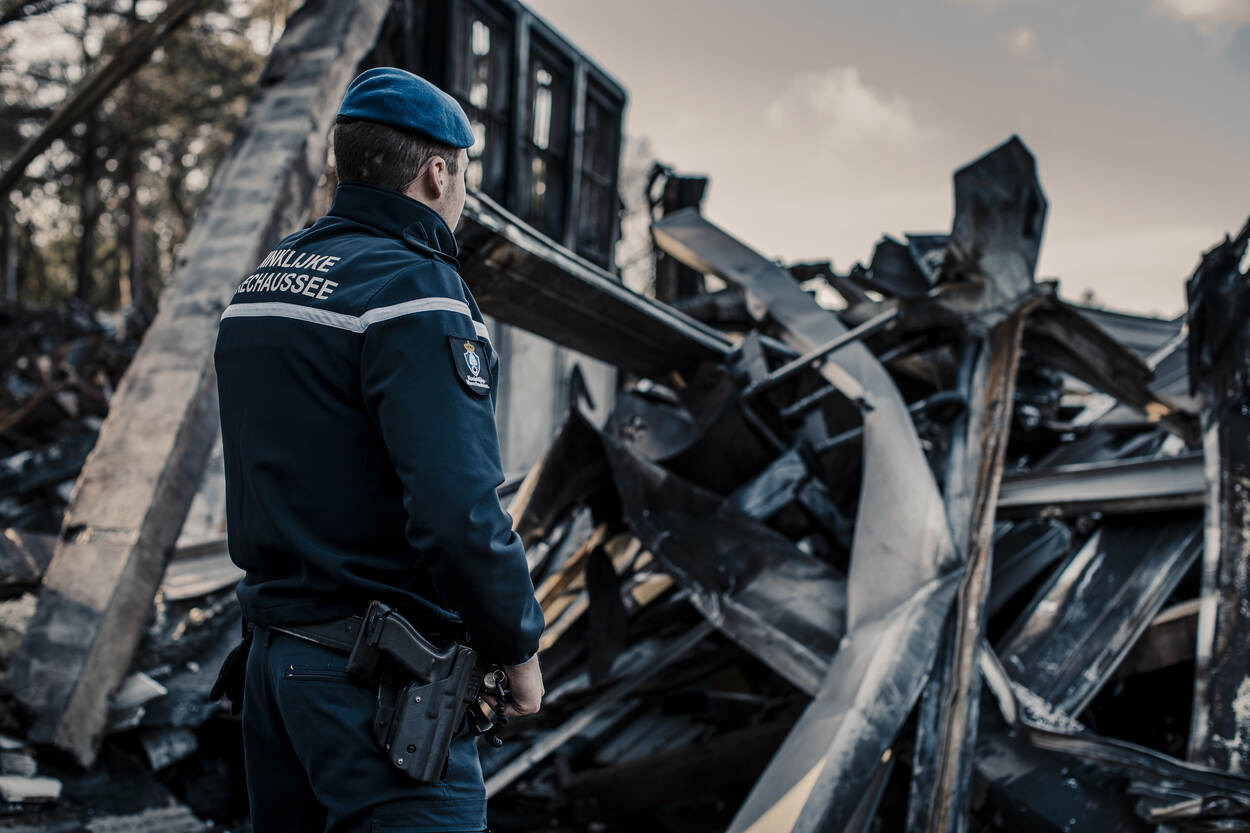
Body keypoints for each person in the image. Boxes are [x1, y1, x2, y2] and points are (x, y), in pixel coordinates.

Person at [212, 66, 545, 833]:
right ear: (437, 173)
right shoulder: (418, 291)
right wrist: (516, 646)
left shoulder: (264, 283)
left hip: (273, 669)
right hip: (371, 688)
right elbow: (457, 510)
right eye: (462, 178)